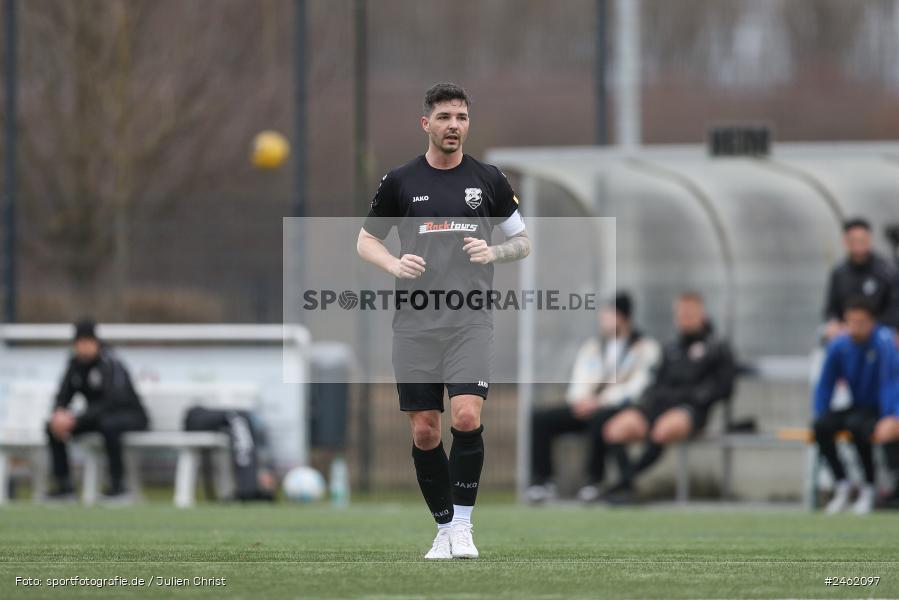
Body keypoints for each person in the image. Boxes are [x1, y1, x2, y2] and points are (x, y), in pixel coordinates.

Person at [356, 83, 529, 559]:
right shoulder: (399, 181)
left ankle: (465, 525)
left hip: (470, 319)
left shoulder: (489, 179)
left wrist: (493, 249)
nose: (455, 125)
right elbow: (365, 241)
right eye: (446, 116)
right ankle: (444, 527)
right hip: (414, 324)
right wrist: (393, 264)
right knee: (425, 432)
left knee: (467, 416)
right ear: (426, 123)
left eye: (462, 117)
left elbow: (523, 242)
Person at [526, 292, 660, 503]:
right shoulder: (593, 347)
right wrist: (581, 400)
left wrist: (599, 402)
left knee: (601, 420)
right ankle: (542, 482)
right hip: (584, 406)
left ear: (621, 317)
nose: (602, 319)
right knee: (540, 418)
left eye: (608, 314)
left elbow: (637, 387)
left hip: (615, 409)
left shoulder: (646, 348)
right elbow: (580, 378)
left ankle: (593, 481)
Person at [602, 292, 736, 502]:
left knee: (663, 431)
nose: (685, 318)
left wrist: (696, 397)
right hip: (658, 405)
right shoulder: (670, 348)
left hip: (690, 409)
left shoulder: (716, 348)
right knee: (615, 430)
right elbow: (656, 381)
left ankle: (622, 483)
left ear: (701, 314)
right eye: (681, 314)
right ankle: (627, 487)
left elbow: (724, 387)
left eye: (690, 313)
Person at [813, 297, 899, 514]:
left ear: (872, 322)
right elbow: (825, 383)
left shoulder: (884, 342)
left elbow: (892, 381)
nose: (856, 327)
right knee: (821, 425)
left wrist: (893, 416)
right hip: (857, 405)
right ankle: (842, 484)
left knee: (857, 426)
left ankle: (869, 487)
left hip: (880, 408)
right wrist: (820, 410)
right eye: (851, 322)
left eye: (861, 322)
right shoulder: (839, 345)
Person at [46, 319, 149, 500]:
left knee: (109, 426)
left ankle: (118, 486)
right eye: (79, 343)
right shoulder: (75, 365)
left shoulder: (110, 363)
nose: (83, 347)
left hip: (131, 416)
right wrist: (59, 413)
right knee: (51, 426)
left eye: (87, 342)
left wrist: (77, 419)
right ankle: (64, 486)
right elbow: (63, 395)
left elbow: (112, 402)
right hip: (97, 419)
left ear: (95, 342)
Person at [823, 217, 899, 339]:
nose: (858, 244)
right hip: (846, 333)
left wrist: (865, 327)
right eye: (853, 240)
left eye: (862, 239)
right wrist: (835, 323)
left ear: (869, 239)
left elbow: (894, 309)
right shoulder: (839, 273)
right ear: (845, 241)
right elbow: (831, 310)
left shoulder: (887, 271)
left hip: (879, 332)